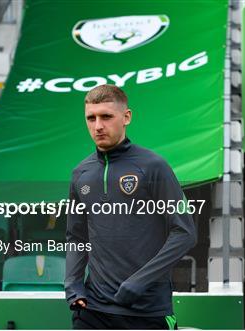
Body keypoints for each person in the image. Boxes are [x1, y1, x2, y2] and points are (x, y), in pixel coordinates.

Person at [65, 84, 196, 329]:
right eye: (91, 118)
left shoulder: (153, 166)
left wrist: (139, 281)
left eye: (106, 116)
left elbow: (185, 233)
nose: (98, 126)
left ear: (126, 117)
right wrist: (73, 285)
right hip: (93, 310)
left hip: (146, 311)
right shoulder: (80, 173)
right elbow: (76, 236)